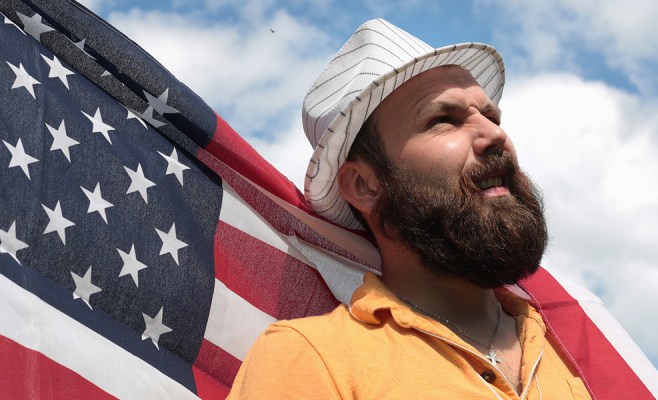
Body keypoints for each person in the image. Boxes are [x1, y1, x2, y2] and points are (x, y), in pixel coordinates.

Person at [228, 18, 590, 399]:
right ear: (365, 186)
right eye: (443, 121)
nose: (495, 134)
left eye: (491, 116)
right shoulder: (311, 359)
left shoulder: (577, 352)